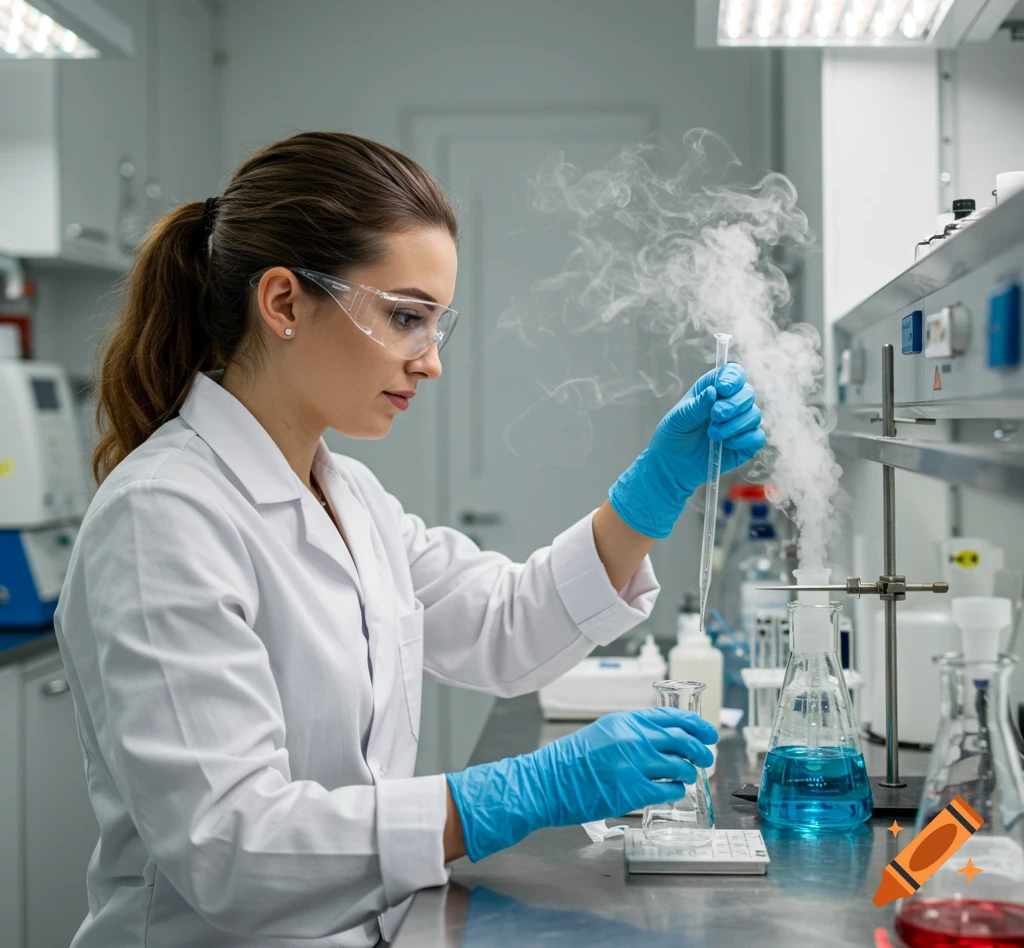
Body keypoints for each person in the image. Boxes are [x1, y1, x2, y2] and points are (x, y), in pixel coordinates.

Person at [55, 132, 765, 948]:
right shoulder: (162, 517)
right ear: (283, 302)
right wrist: (506, 797)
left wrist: (653, 493)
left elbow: (504, 625)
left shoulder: (348, 494)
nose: (429, 363)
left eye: (435, 324)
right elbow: (233, 847)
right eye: (403, 318)